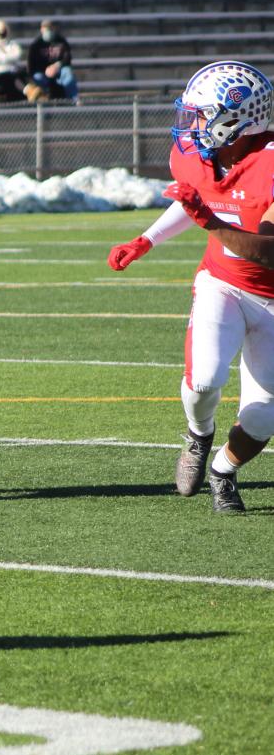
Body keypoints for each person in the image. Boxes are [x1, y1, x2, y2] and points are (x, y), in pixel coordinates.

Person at [111, 61, 274, 514]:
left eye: (201, 115)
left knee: (264, 416)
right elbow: (195, 199)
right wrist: (146, 240)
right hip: (221, 284)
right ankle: (198, 436)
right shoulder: (193, 154)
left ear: (235, 119)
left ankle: (224, 468)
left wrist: (209, 221)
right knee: (203, 380)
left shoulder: (272, 163)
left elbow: (267, 251)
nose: (191, 124)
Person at [27, 19, 77, 102]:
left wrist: (57, 66)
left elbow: (67, 59)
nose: (48, 31)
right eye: (46, 29)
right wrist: (45, 70)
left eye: (50, 29)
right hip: (43, 72)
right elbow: (31, 65)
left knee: (68, 73)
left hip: (59, 71)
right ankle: (43, 101)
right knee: (37, 77)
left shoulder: (61, 41)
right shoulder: (36, 45)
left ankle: (74, 100)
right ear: (41, 29)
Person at [0, 19, 27, 103]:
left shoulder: (12, 43)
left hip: (14, 71)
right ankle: (24, 94)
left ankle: (24, 99)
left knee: (20, 77)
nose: (2, 33)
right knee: (10, 81)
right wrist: (8, 57)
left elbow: (18, 55)